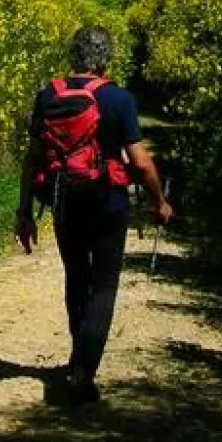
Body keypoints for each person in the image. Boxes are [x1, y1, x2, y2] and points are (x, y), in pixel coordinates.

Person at [14, 25, 175, 405]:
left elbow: (32, 159)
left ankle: (78, 358)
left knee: (76, 278)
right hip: (108, 204)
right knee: (103, 286)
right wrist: (159, 202)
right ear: (106, 59)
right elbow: (140, 163)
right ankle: (83, 372)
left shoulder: (48, 95)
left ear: (73, 54)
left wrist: (24, 212)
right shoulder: (118, 98)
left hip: (64, 201)